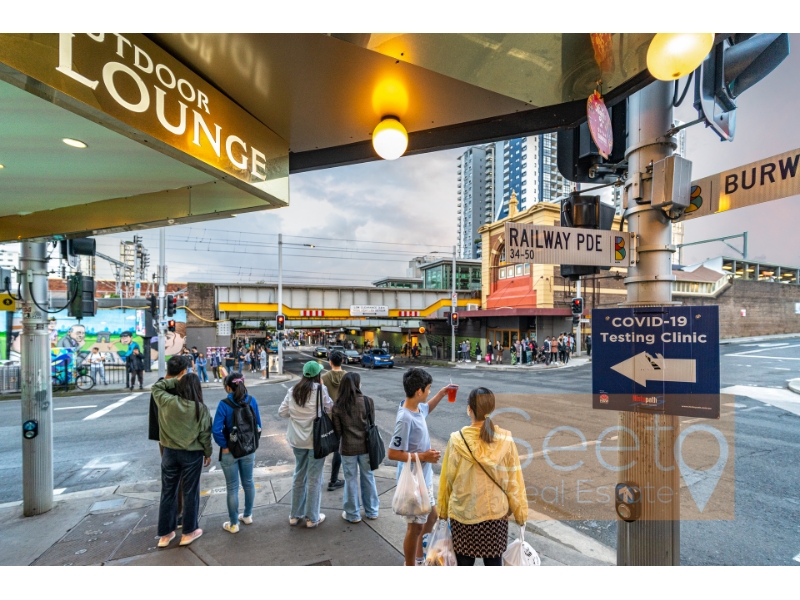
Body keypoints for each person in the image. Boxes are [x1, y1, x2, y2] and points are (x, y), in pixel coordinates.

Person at [438, 387, 528, 566]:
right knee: (494, 564)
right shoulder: (505, 440)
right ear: (491, 409)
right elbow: (514, 481)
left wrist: (442, 512)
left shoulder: (457, 440)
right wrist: (521, 513)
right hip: (495, 515)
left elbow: (447, 479)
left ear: (469, 409)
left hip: (464, 515)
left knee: (463, 564)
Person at [386, 368, 450, 566]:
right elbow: (393, 453)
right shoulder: (405, 418)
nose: (430, 392)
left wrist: (441, 394)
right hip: (413, 482)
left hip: (424, 478)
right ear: (419, 391)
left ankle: (419, 557)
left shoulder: (417, 408)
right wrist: (423, 456)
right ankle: (410, 564)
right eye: (429, 389)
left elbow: (427, 408)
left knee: (431, 517)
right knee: (414, 528)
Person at [152, 373, 212, 548]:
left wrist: (175, 380)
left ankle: (165, 534)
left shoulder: (167, 402)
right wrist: (207, 453)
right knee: (190, 492)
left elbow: (156, 387)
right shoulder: (200, 408)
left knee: (168, 492)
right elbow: (205, 435)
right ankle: (189, 532)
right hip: (192, 453)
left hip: (169, 452)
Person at [279, 361, 333, 528]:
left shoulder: (293, 390)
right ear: (317, 375)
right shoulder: (320, 390)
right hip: (316, 441)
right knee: (314, 479)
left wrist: (297, 416)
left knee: (299, 475)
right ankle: (312, 518)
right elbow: (330, 408)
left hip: (296, 440)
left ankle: (294, 515)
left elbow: (282, 412)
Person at [212, 372, 262, 534]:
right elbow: (258, 426)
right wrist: (253, 443)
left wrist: (224, 445)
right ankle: (247, 515)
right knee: (248, 482)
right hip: (248, 448)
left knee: (232, 487)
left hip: (230, 451)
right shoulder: (251, 400)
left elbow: (216, 430)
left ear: (228, 387)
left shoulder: (224, 404)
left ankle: (233, 524)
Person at [332, 372, 379, 523]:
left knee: (350, 480)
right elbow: (371, 422)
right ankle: (372, 511)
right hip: (366, 446)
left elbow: (338, 431)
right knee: (368, 477)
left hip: (347, 448)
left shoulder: (338, 405)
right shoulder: (367, 401)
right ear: (357, 384)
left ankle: (353, 514)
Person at [322, 350, 346, 491]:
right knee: (339, 448)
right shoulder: (348, 376)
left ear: (330, 362)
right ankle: (333, 479)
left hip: (329, 417)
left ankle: (320, 477)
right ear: (342, 361)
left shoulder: (324, 378)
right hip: (344, 417)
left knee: (324, 445)